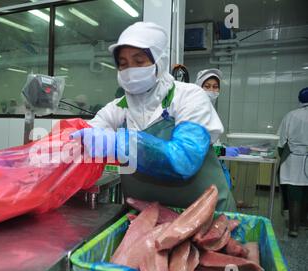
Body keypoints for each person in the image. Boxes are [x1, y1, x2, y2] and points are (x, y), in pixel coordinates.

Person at [70, 22, 237, 212]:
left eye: (139, 61)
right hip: (148, 223)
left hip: (208, 222)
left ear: (160, 62)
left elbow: (184, 159)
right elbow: (81, 136)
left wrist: (121, 143)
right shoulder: (118, 108)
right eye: (123, 64)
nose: (130, 70)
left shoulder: (189, 96)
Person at [277, 87, 308, 237]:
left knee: (294, 192)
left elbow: (281, 142)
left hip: (294, 160)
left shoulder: (291, 116)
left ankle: (293, 228)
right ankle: (304, 222)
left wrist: (282, 156)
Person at [195, 69, 234, 188]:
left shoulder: (211, 110)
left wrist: (221, 148)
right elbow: (198, 147)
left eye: (215, 86)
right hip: (202, 170)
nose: (211, 90)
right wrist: (222, 152)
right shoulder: (195, 111)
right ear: (198, 87)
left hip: (214, 164)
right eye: (207, 86)